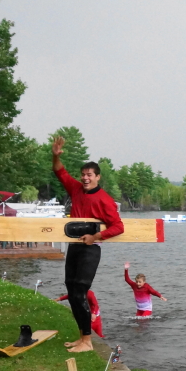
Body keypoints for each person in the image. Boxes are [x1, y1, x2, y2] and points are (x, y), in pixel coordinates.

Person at [52, 135, 124, 353]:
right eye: (83, 175)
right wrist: (55, 156)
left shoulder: (105, 200)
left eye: (89, 175)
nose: (85, 178)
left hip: (90, 250)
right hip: (74, 246)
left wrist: (95, 238)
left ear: (97, 177)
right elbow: (59, 171)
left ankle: (88, 341)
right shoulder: (75, 189)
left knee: (80, 293)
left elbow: (118, 227)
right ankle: (82, 337)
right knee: (71, 291)